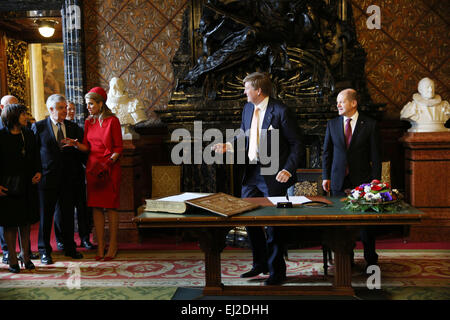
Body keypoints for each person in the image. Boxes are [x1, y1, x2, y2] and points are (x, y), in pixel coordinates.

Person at [213, 72, 302, 285]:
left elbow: (297, 144)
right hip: (252, 172)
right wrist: (229, 145)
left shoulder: (281, 111)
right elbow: (244, 134)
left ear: (258, 90)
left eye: (246, 88)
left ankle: (276, 271)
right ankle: (259, 263)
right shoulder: (247, 109)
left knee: (273, 225)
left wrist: (288, 170)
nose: (244, 92)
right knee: (248, 218)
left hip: (274, 175)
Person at [322, 88, 381, 269]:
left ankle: (370, 257)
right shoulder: (332, 124)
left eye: (342, 101)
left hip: (362, 181)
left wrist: (375, 180)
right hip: (338, 179)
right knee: (341, 221)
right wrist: (326, 177)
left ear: (353, 103)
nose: (338, 105)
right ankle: (345, 258)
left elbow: (376, 156)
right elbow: (327, 153)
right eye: (338, 102)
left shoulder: (370, 124)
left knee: (365, 223)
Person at [64, 87, 123, 261]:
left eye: (90, 104)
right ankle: (100, 246)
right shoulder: (88, 122)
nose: (88, 107)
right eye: (87, 104)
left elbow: (118, 148)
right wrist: (75, 144)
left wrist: (108, 164)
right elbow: (87, 147)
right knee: (96, 207)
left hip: (110, 168)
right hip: (92, 169)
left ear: (100, 103)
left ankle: (113, 245)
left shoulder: (113, 121)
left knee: (111, 207)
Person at [31, 94, 84, 264]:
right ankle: (44, 250)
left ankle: (69, 247)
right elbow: (34, 155)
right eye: (61, 108)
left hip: (68, 179)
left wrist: (76, 146)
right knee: (46, 216)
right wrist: (37, 172)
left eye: (65, 107)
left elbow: (81, 152)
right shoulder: (38, 127)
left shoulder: (73, 127)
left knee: (67, 215)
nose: (65, 111)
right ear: (51, 109)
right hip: (46, 179)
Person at [0, 104, 42, 273]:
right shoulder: (1, 136)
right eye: (23, 114)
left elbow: (36, 156)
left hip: (27, 184)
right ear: (12, 116)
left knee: (25, 223)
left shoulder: (29, 134)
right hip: (7, 186)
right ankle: (12, 258)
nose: (26, 116)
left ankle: (25, 256)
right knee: (10, 224)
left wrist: (38, 171)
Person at [53, 101, 94, 250]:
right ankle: (61, 240)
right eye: (66, 109)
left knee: (82, 208)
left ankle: (85, 238)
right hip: (58, 175)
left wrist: (76, 146)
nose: (69, 111)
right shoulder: (52, 127)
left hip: (76, 173)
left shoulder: (76, 128)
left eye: (71, 109)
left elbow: (85, 150)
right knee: (61, 210)